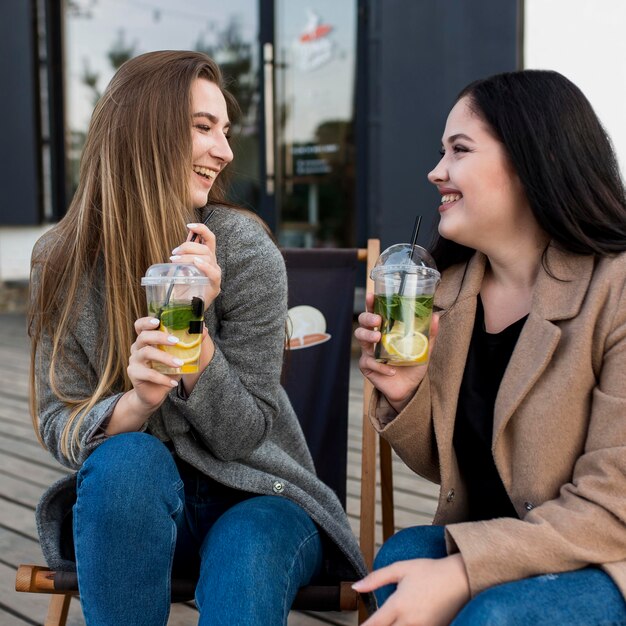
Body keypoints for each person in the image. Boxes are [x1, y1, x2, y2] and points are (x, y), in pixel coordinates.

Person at [29, 50, 367, 626]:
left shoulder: (244, 250)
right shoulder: (60, 260)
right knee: (125, 461)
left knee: (248, 553)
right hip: (140, 508)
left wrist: (196, 340)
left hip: (262, 495)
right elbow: (59, 421)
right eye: (204, 127)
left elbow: (244, 435)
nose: (226, 150)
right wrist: (135, 405)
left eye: (226, 130)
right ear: (144, 133)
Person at [352, 69, 626, 625]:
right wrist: (409, 395)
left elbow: (612, 508)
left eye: (459, 150)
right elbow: (463, 468)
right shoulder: (451, 294)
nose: (435, 171)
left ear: (531, 161)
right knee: (403, 555)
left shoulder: (615, 291)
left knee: (493, 615)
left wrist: (463, 572)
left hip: (603, 553)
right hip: (509, 535)